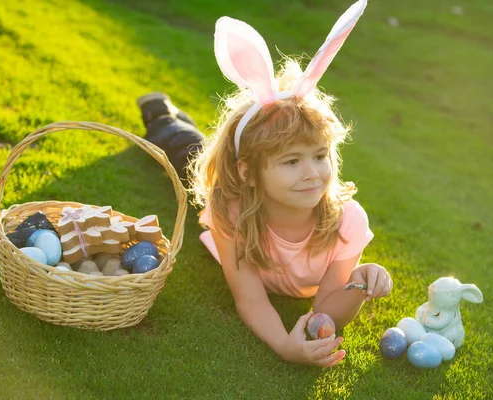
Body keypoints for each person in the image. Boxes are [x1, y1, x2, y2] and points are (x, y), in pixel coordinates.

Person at [138, 0, 392, 367]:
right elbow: (251, 299)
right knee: (187, 155)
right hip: (239, 197)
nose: (312, 173)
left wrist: (358, 285)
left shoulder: (348, 222)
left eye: (320, 156)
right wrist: (282, 345)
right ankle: (162, 115)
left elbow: (325, 308)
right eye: (291, 161)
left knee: (196, 150)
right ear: (248, 172)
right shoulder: (230, 210)